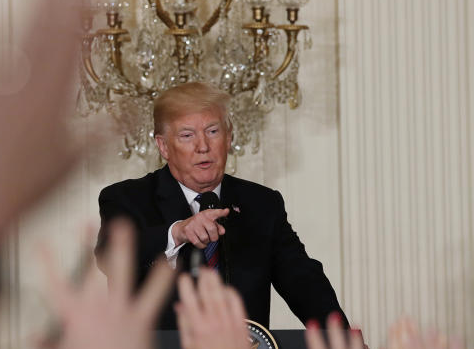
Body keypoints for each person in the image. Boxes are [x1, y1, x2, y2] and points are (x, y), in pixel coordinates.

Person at [96, 81, 349, 329]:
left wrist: (341, 341)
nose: (203, 146)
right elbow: (110, 257)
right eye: (187, 135)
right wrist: (178, 232)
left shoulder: (261, 204)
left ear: (229, 138)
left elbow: (304, 282)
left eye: (213, 131)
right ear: (163, 146)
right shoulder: (126, 198)